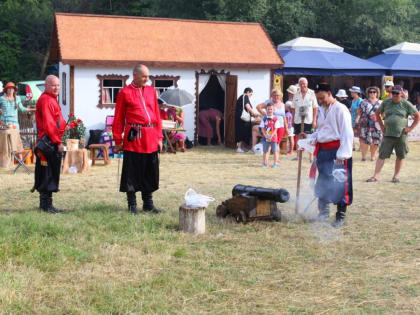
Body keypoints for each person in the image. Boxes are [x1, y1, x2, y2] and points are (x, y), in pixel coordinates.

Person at [113, 64, 164, 215]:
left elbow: (157, 115)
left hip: (151, 136)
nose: (147, 79)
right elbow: (119, 118)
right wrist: (117, 140)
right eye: (144, 76)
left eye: (148, 76)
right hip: (134, 137)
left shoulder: (151, 91)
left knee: (150, 170)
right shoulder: (124, 93)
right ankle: (132, 205)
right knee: (132, 171)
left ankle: (148, 203)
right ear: (134, 75)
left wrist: (159, 137)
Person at [310, 82, 353, 228]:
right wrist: (311, 137)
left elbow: (347, 133)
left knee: (340, 183)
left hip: (338, 153)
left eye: (322, 98)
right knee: (323, 181)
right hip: (323, 152)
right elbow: (323, 131)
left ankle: (340, 216)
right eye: (318, 99)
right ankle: (323, 213)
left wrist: (342, 155)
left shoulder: (341, 109)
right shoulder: (322, 109)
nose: (320, 101)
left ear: (329, 93)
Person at [367, 85, 420, 183]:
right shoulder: (386, 102)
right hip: (387, 134)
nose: (394, 95)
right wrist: (382, 126)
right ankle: (376, 176)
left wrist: (410, 128)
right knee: (382, 155)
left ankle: (395, 176)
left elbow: (417, 116)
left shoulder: (406, 104)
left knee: (400, 156)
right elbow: (377, 113)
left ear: (401, 93)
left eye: (397, 93)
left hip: (401, 134)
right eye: (393, 93)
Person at [33, 75, 67, 213]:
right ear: (46, 86)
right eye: (53, 85)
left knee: (48, 171)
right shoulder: (46, 100)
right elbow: (49, 124)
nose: (56, 88)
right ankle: (47, 205)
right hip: (49, 142)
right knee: (48, 172)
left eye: (58, 85)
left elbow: (55, 121)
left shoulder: (50, 99)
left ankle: (45, 203)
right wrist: (58, 142)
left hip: (49, 140)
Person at [252, 89, 287, 161]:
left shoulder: (282, 104)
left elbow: (284, 117)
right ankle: (266, 160)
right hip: (270, 126)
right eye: (275, 95)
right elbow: (258, 107)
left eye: (278, 95)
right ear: (272, 95)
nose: (276, 97)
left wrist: (286, 127)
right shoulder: (269, 102)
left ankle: (276, 159)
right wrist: (265, 115)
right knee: (269, 142)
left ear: (280, 96)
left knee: (277, 143)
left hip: (280, 126)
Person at [291, 77, 318, 162]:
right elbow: (293, 108)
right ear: (299, 85)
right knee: (298, 137)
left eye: (304, 83)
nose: (303, 85)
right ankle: (298, 156)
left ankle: (311, 157)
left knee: (309, 138)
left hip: (308, 119)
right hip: (298, 119)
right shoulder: (296, 94)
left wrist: (314, 120)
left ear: (307, 84)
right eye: (301, 83)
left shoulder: (312, 93)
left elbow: (315, 107)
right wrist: (292, 119)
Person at [355, 86, 383, 161]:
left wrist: (380, 118)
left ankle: (372, 156)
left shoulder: (381, 102)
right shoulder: (363, 102)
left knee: (376, 140)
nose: (372, 93)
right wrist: (357, 119)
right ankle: (363, 157)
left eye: (374, 92)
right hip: (365, 123)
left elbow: (384, 113)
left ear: (377, 93)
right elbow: (359, 112)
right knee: (363, 140)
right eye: (370, 92)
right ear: (368, 93)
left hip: (377, 124)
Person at [235, 87, 258, 152]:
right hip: (242, 119)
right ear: (247, 92)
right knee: (241, 132)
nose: (251, 96)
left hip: (240, 118)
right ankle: (239, 148)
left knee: (243, 131)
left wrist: (252, 114)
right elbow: (248, 107)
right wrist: (254, 113)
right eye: (251, 94)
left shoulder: (241, 97)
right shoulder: (245, 96)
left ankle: (242, 147)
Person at [260, 102, 280, 168]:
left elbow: (276, 129)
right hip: (266, 138)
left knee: (275, 151)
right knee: (265, 151)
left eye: (271, 109)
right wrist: (265, 135)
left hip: (273, 138)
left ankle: (275, 163)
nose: (270, 110)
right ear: (266, 110)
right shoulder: (264, 119)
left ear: (273, 110)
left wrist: (271, 136)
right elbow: (262, 128)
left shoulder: (275, 119)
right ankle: (264, 163)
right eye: (268, 109)